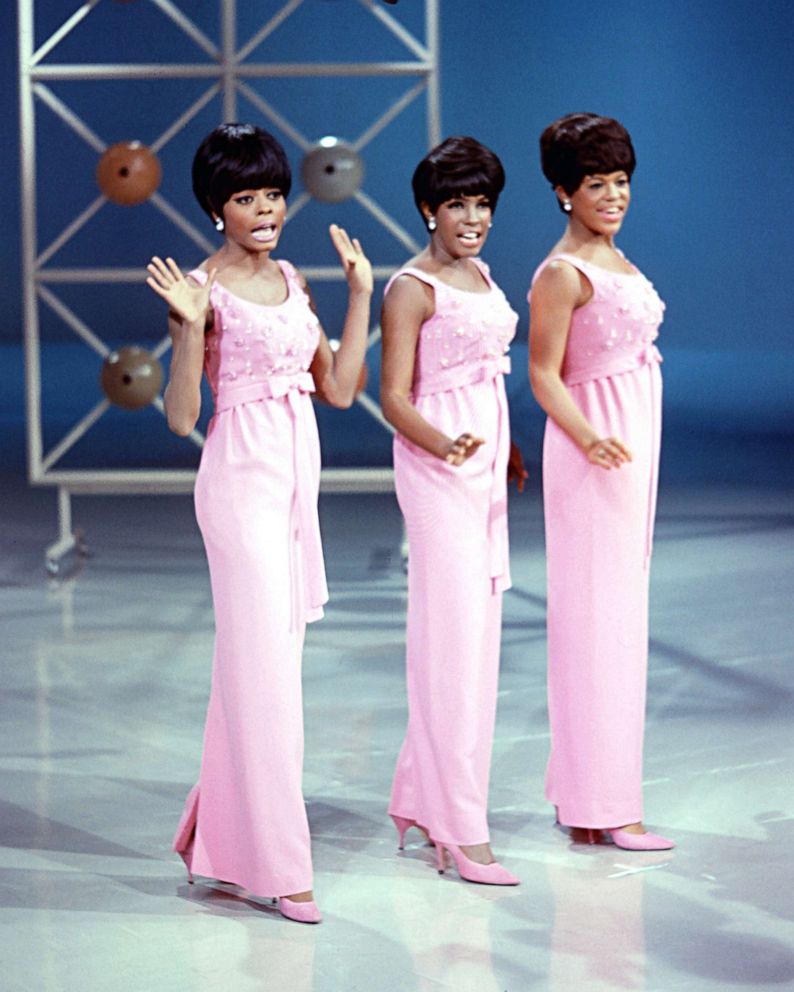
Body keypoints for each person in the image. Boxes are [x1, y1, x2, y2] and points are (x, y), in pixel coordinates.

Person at [145, 123, 373, 922]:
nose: (266, 208)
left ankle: (218, 843)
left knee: (257, 668)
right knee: (267, 678)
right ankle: (281, 865)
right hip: (240, 483)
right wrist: (187, 328)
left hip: (293, 484)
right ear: (216, 208)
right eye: (246, 197)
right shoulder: (201, 290)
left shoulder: (293, 281)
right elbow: (180, 419)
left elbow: (341, 390)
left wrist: (359, 295)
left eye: (273, 193)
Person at [380, 136, 526, 885]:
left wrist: (507, 449)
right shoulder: (411, 286)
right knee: (450, 645)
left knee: (477, 643)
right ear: (428, 210)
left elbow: (486, 375)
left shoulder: (482, 274)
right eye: (458, 205)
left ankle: (421, 800)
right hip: (438, 471)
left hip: (483, 469)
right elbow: (393, 397)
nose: (473, 218)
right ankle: (459, 828)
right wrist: (449, 445)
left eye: (483, 205)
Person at [528, 112, 674, 851]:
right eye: (596, 184)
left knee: (617, 622)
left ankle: (593, 800)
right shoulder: (562, 273)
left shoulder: (617, 259)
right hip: (594, 455)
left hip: (628, 452)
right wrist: (589, 437)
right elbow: (543, 375)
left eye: (621, 182)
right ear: (563, 191)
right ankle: (605, 805)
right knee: (597, 625)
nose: (613, 195)